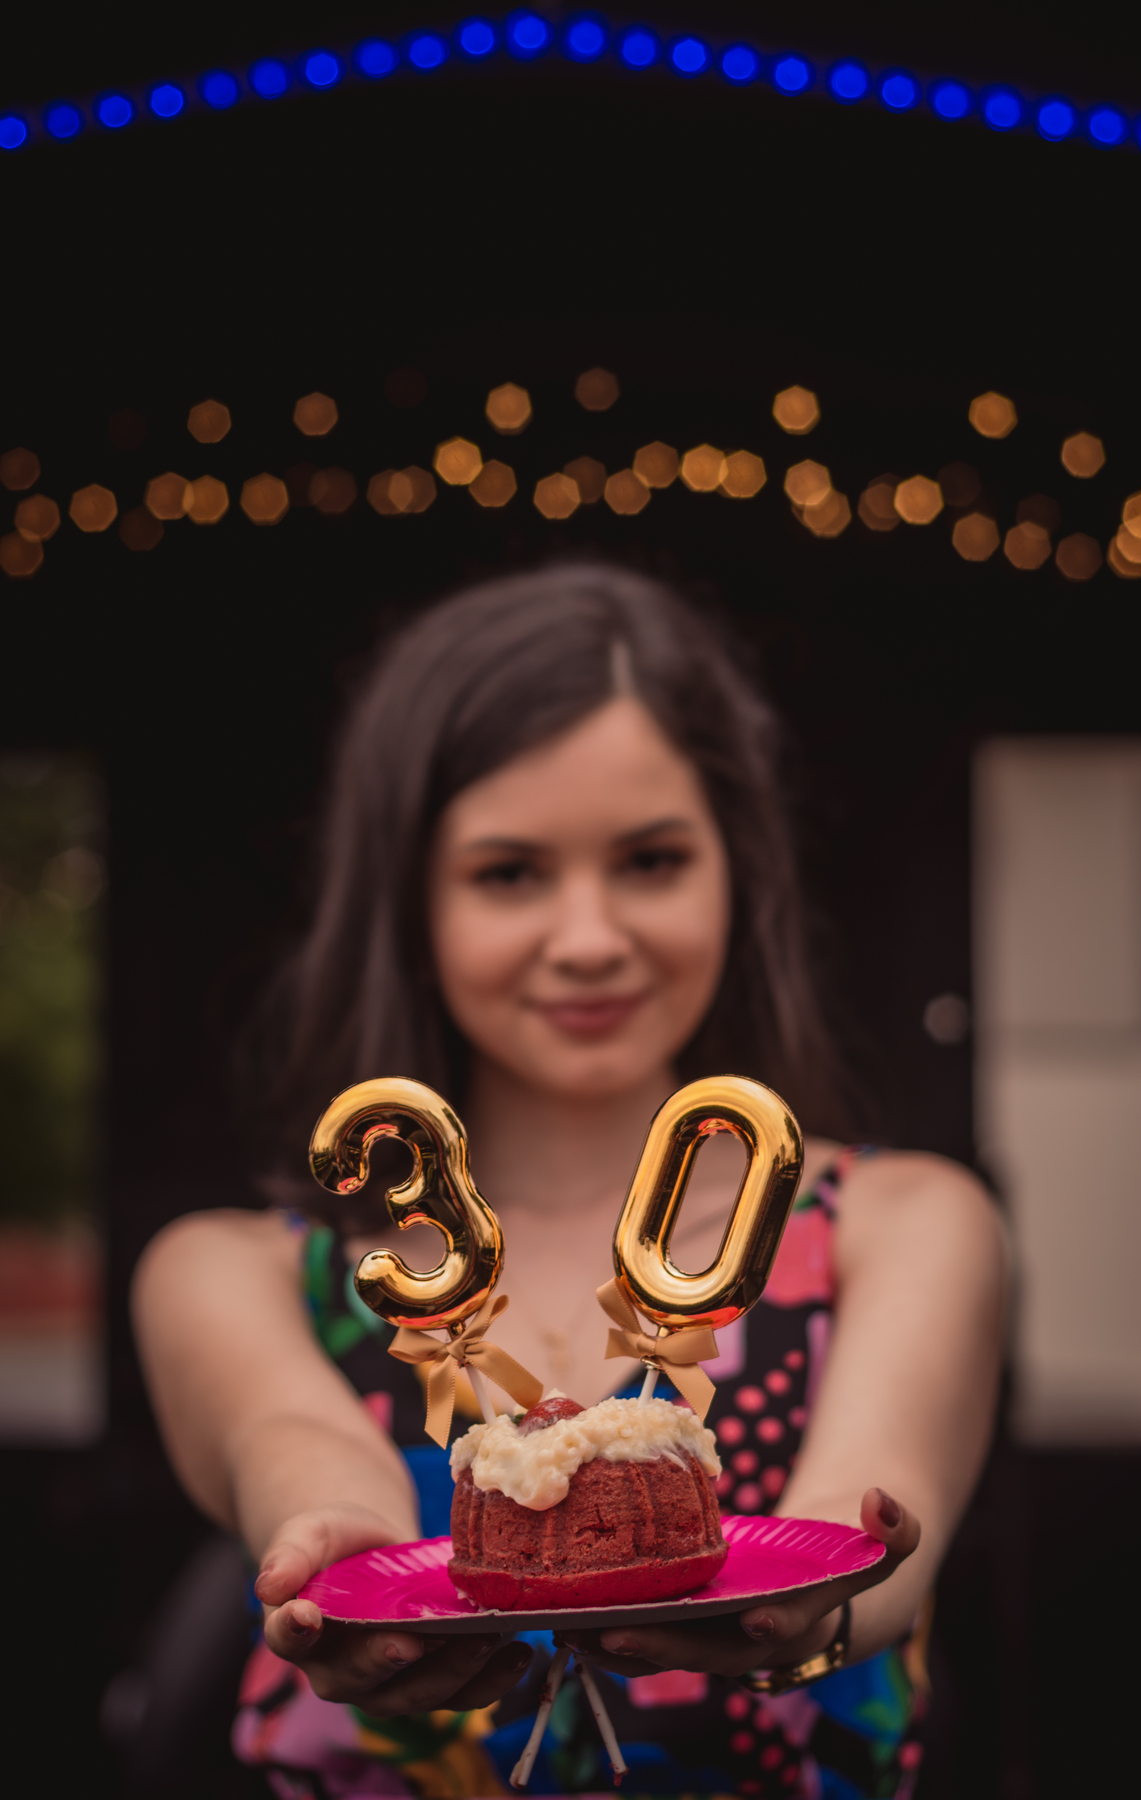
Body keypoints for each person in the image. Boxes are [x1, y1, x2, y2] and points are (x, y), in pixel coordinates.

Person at [133, 564, 1005, 1800]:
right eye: (509, 873)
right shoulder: (230, 1275)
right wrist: (341, 1544)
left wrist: (816, 1598)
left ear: (737, 869)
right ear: (410, 900)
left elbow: (869, 1528)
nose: (590, 938)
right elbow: (297, 1442)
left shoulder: (901, 1225)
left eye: (651, 860)